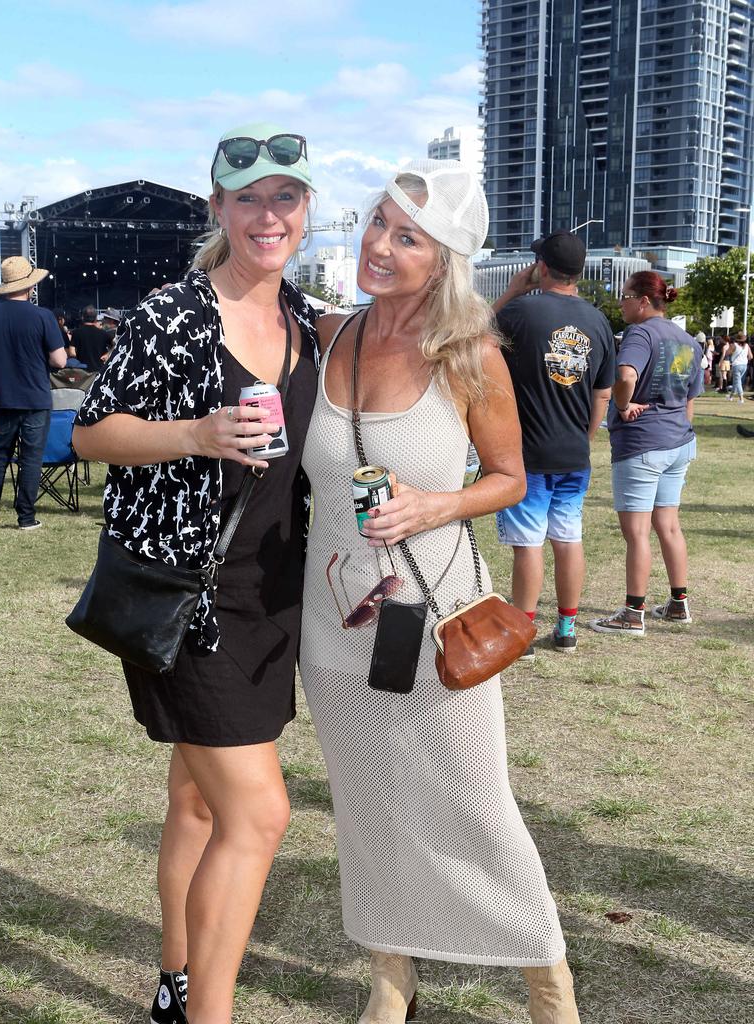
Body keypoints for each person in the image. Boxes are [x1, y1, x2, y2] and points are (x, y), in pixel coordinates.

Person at [299, 161, 581, 1024]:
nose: (378, 245)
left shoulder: (470, 355)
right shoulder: (329, 336)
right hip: (334, 621)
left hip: (436, 619)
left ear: (442, 259)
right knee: (367, 803)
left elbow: (508, 477)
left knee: (475, 803)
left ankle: (547, 981)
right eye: (378, 222)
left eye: (406, 236)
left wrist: (436, 502)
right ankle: (393, 975)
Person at [72, 122, 319, 1024]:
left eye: (284, 198)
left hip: (270, 597)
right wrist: (195, 433)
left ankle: (176, 982)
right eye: (247, 198)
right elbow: (94, 431)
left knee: (199, 798)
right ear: (218, 207)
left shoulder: (302, 324)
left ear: (306, 212)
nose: (267, 214)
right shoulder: (174, 313)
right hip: (190, 600)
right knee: (258, 817)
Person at [491, 230, 615, 657]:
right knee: (568, 539)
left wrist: (509, 293)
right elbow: (603, 391)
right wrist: (586, 435)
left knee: (529, 545)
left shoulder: (520, 312)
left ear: (540, 267)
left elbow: (469, 341)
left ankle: (522, 633)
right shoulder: (598, 320)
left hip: (529, 453)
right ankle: (565, 627)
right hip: (573, 453)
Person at [590, 272, 703, 636]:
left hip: (643, 443)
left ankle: (632, 613)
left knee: (636, 532)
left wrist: (622, 407)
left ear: (642, 301)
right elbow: (690, 399)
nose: (620, 303)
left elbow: (624, 376)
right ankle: (677, 603)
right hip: (678, 442)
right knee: (668, 525)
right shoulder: (687, 339)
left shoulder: (640, 333)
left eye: (624, 296)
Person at [0, 256, 67, 530]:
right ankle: (26, 518)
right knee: (31, 459)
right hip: (35, 397)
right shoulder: (43, 316)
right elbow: (60, 361)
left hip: (4, 397)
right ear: (30, 286)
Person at [69, 304, 110, 371]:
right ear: (96, 318)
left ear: (82, 317)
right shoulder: (103, 333)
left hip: (83, 372)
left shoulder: (76, 333)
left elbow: (71, 353)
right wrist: (108, 354)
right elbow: (116, 344)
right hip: (98, 371)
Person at [728, 332, 751, 404]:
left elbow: (727, 353)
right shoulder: (747, 345)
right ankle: (731, 396)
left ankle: (741, 398)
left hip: (736, 365)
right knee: (737, 381)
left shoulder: (734, 345)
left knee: (738, 381)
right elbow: (750, 356)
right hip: (744, 365)